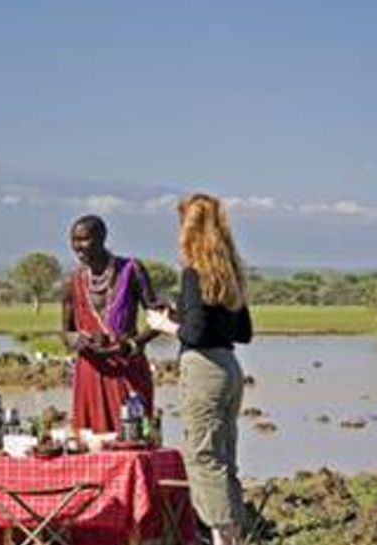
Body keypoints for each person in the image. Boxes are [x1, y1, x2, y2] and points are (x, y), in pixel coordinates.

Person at [147, 194, 253, 545]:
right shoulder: (230, 273)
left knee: (203, 457)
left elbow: (194, 334)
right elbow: (242, 332)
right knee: (225, 457)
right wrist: (186, 313)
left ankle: (222, 538)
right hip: (230, 367)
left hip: (203, 369)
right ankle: (234, 535)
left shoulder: (194, 273)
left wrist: (164, 324)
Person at [63, 214, 159, 433]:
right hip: (90, 372)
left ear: (102, 238)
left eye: (84, 239)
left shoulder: (131, 270)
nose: (78, 247)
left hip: (127, 367)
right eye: (74, 241)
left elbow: (158, 320)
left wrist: (131, 345)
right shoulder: (73, 281)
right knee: (90, 442)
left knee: (133, 437)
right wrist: (76, 340)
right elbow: (66, 331)